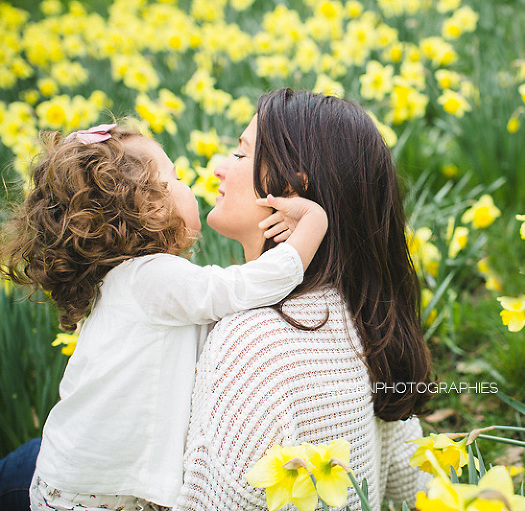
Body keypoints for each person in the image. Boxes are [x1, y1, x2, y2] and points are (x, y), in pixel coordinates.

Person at [0, 122, 328, 511]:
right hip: (97, 492)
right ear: (153, 204)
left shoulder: (131, 278)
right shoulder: (151, 276)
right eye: (177, 178)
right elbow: (245, 286)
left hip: (79, 474)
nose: (193, 187)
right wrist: (314, 224)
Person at [175, 89, 433, 511]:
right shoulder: (366, 322)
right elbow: (416, 485)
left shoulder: (252, 341)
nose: (220, 169)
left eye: (240, 156)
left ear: (292, 191)